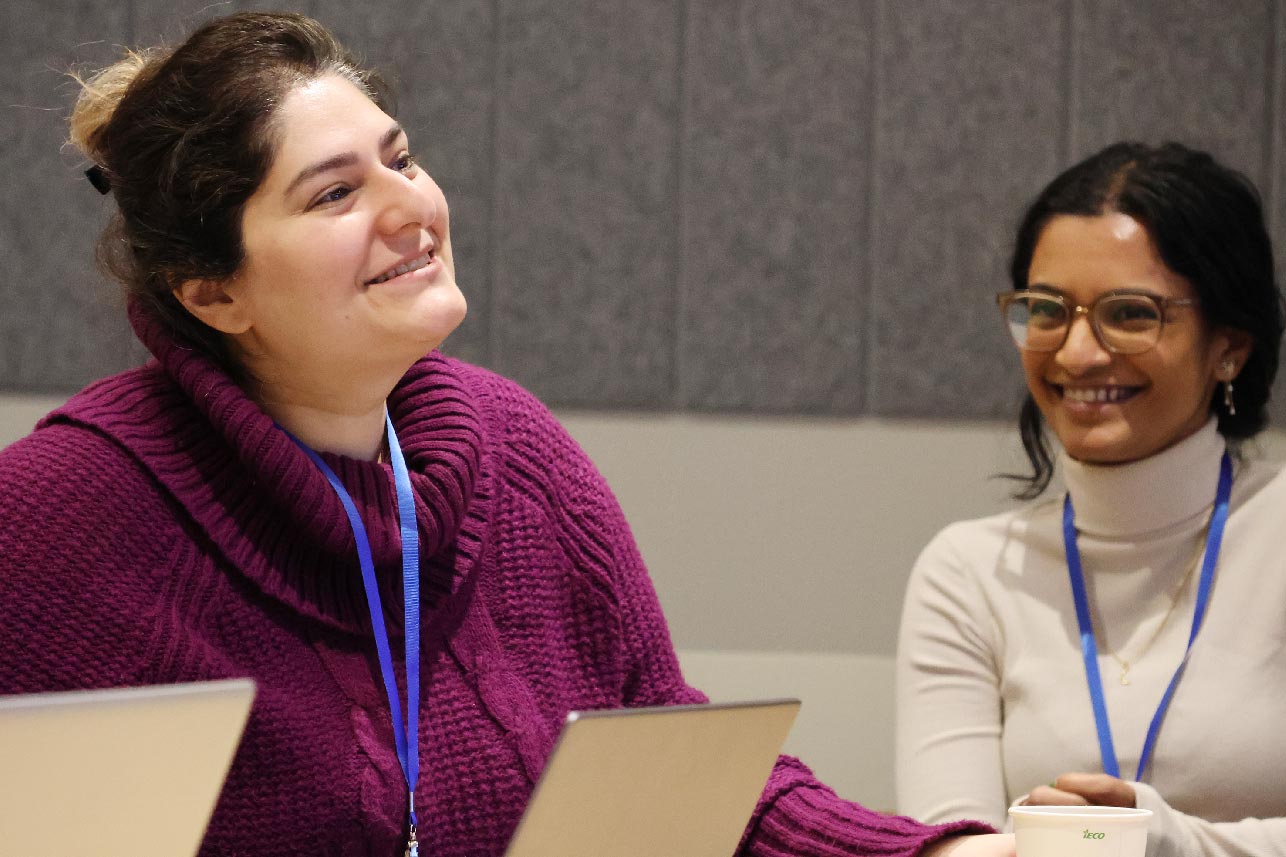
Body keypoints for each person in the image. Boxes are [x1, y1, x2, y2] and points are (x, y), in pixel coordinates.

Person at [0, 12, 1013, 857]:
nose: (413, 207)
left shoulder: (513, 451)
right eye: (336, 192)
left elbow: (675, 778)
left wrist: (940, 851)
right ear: (214, 292)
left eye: (400, 158)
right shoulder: (56, 514)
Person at [894, 140, 1286, 857]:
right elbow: (945, 840)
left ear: (1229, 344)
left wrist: (1165, 843)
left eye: (1130, 313)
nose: (1076, 353)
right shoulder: (970, 571)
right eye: (1047, 310)